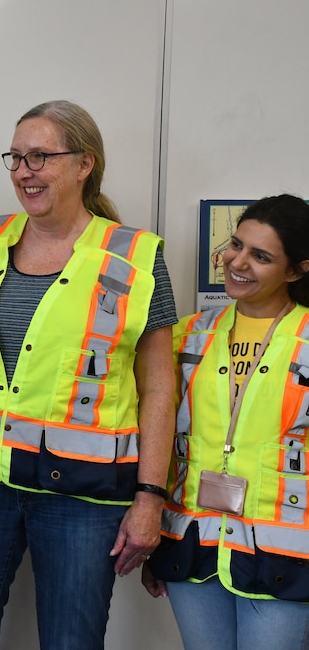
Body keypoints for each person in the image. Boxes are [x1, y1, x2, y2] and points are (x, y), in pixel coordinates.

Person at [0, 100, 178, 650]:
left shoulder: (134, 256)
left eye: (41, 156)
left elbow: (158, 386)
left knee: (71, 642)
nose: (24, 171)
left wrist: (151, 497)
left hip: (84, 491)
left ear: (84, 164)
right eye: (16, 157)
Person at [143, 195, 309, 650]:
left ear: (295, 271)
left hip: (285, 554)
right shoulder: (187, 335)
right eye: (236, 244)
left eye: (261, 256)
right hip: (192, 542)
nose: (237, 262)